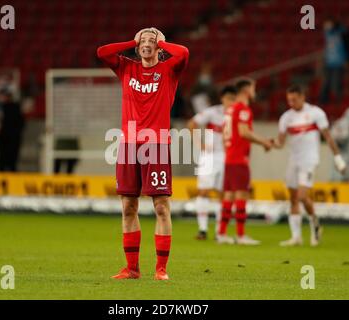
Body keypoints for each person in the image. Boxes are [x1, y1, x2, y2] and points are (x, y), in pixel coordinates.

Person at [97, 28, 189, 280]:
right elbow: (102, 52)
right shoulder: (127, 68)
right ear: (137, 47)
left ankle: (161, 269)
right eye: (143, 41)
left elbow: (184, 53)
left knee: (161, 206)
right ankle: (132, 269)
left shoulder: (169, 70)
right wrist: (132, 39)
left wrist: (161, 40)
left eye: (152, 41)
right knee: (128, 206)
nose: (147, 44)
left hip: (156, 144)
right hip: (128, 145)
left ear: (160, 47)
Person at [272, 85, 346, 246]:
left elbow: (328, 137)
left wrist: (338, 158)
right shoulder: (286, 117)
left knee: (302, 196)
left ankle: (315, 223)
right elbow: (281, 142)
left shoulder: (316, 113)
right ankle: (296, 237)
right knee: (293, 199)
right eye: (289, 100)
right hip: (294, 160)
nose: (291, 103)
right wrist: (270, 144)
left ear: (302, 97)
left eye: (294, 99)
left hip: (309, 159)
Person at [217, 79, 272, 245]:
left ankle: (222, 233)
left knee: (228, 196)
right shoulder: (243, 109)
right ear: (247, 90)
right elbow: (243, 132)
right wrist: (264, 142)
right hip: (239, 158)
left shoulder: (230, 109)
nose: (255, 91)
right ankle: (241, 235)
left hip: (230, 158)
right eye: (254, 88)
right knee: (241, 195)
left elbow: (225, 135)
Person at [187, 85, 237, 240]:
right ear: (222, 99)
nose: (230, 102)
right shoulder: (212, 112)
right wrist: (199, 144)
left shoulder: (237, 115)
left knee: (222, 194)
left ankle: (219, 231)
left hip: (226, 157)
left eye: (233, 99)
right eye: (228, 98)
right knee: (203, 191)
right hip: (209, 156)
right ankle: (202, 229)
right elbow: (191, 124)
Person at [319, 18, 348, 104]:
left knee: (336, 84)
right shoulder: (327, 34)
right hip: (328, 63)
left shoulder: (340, 33)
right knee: (326, 83)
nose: (326, 26)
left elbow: (345, 31)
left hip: (339, 63)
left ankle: (338, 102)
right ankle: (324, 101)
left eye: (328, 24)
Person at [0, 91, 24, 172]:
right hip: (8, 138)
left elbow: (20, 123)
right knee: (7, 159)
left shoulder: (9, 108)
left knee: (9, 159)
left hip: (10, 138)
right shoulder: (8, 108)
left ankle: (9, 173)